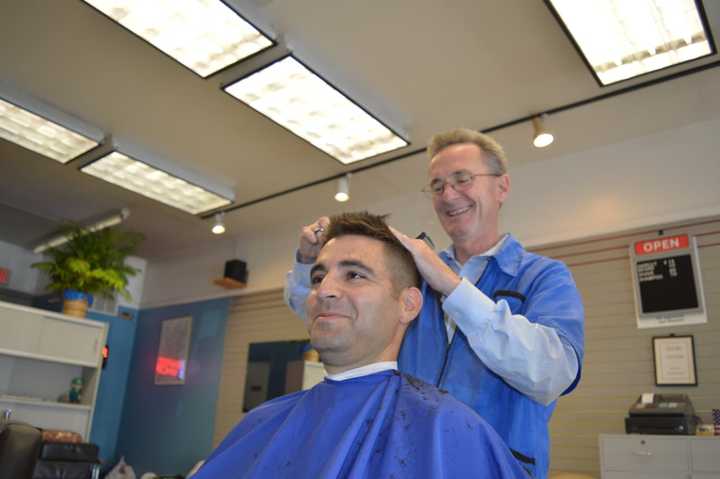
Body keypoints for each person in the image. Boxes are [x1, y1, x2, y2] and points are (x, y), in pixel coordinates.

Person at [285, 129, 585, 478]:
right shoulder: (413, 277)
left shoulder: (544, 277)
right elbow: (334, 314)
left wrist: (451, 287)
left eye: (462, 179)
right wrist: (309, 265)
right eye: (438, 185)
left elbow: (553, 374)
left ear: (501, 187)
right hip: (406, 463)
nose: (448, 195)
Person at [195, 212, 527, 479]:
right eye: (317, 278)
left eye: (354, 275)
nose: (324, 290)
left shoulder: (448, 432)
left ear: (409, 305)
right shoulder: (261, 421)